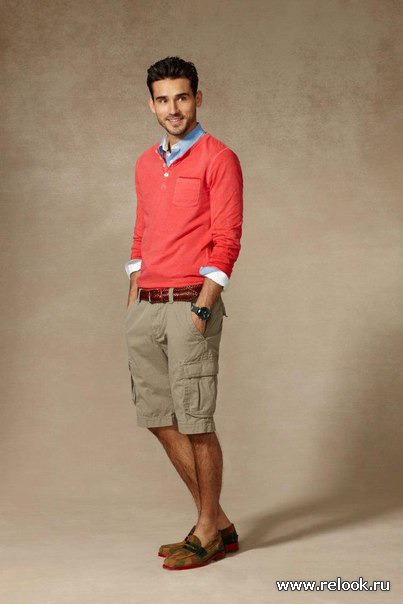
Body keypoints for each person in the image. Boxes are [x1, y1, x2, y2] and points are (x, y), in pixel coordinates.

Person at [124, 56, 243, 570]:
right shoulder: (145, 163)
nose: (173, 108)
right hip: (146, 304)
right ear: (151, 104)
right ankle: (217, 524)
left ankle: (206, 531)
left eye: (182, 97)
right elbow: (142, 230)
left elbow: (227, 238)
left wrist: (204, 305)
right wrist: (133, 289)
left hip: (190, 303)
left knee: (195, 421)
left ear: (197, 98)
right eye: (163, 99)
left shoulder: (219, 158)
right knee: (158, 417)